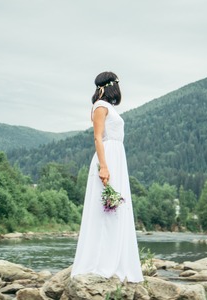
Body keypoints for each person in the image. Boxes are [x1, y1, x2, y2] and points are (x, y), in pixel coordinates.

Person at [71, 71, 143, 283]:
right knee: (106, 208)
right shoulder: (100, 106)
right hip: (108, 156)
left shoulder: (109, 107)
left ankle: (118, 260)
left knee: (117, 208)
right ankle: (100, 261)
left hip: (117, 156)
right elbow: (97, 137)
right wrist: (104, 166)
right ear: (109, 86)